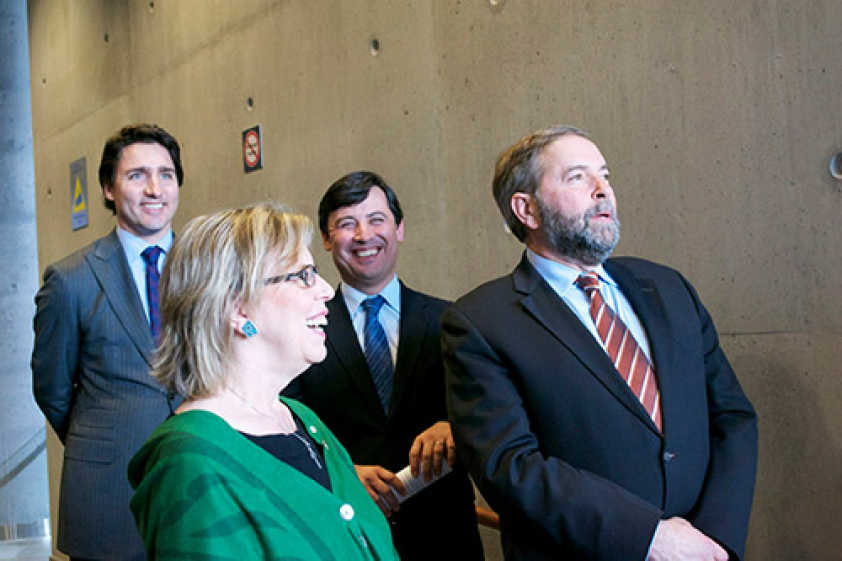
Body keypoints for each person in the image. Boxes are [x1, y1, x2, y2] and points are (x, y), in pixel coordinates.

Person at [442, 125, 758, 561]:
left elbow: (733, 417)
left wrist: (716, 542)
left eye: (604, 175)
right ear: (526, 209)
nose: (602, 190)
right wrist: (650, 538)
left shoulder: (668, 288)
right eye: (577, 177)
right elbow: (510, 466)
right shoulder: (479, 322)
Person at [127, 202, 398, 561]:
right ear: (238, 308)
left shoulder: (301, 419)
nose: (326, 291)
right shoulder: (189, 461)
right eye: (303, 276)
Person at [284, 171, 484, 561]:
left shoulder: (452, 320)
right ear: (326, 239)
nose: (364, 235)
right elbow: (284, 425)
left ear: (399, 228)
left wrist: (453, 425)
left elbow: (487, 408)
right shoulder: (302, 331)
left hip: (446, 534)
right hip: (350, 534)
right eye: (346, 224)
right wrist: (340, 471)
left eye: (377, 219)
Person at [32, 123, 184, 561]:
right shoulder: (72, 279)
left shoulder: (209, 268)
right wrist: (104, 436)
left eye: (166, 174)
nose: (155, 188)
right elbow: (52, 390)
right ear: (108, 188)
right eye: (137, 175)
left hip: (201, 479)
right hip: (109, 489)